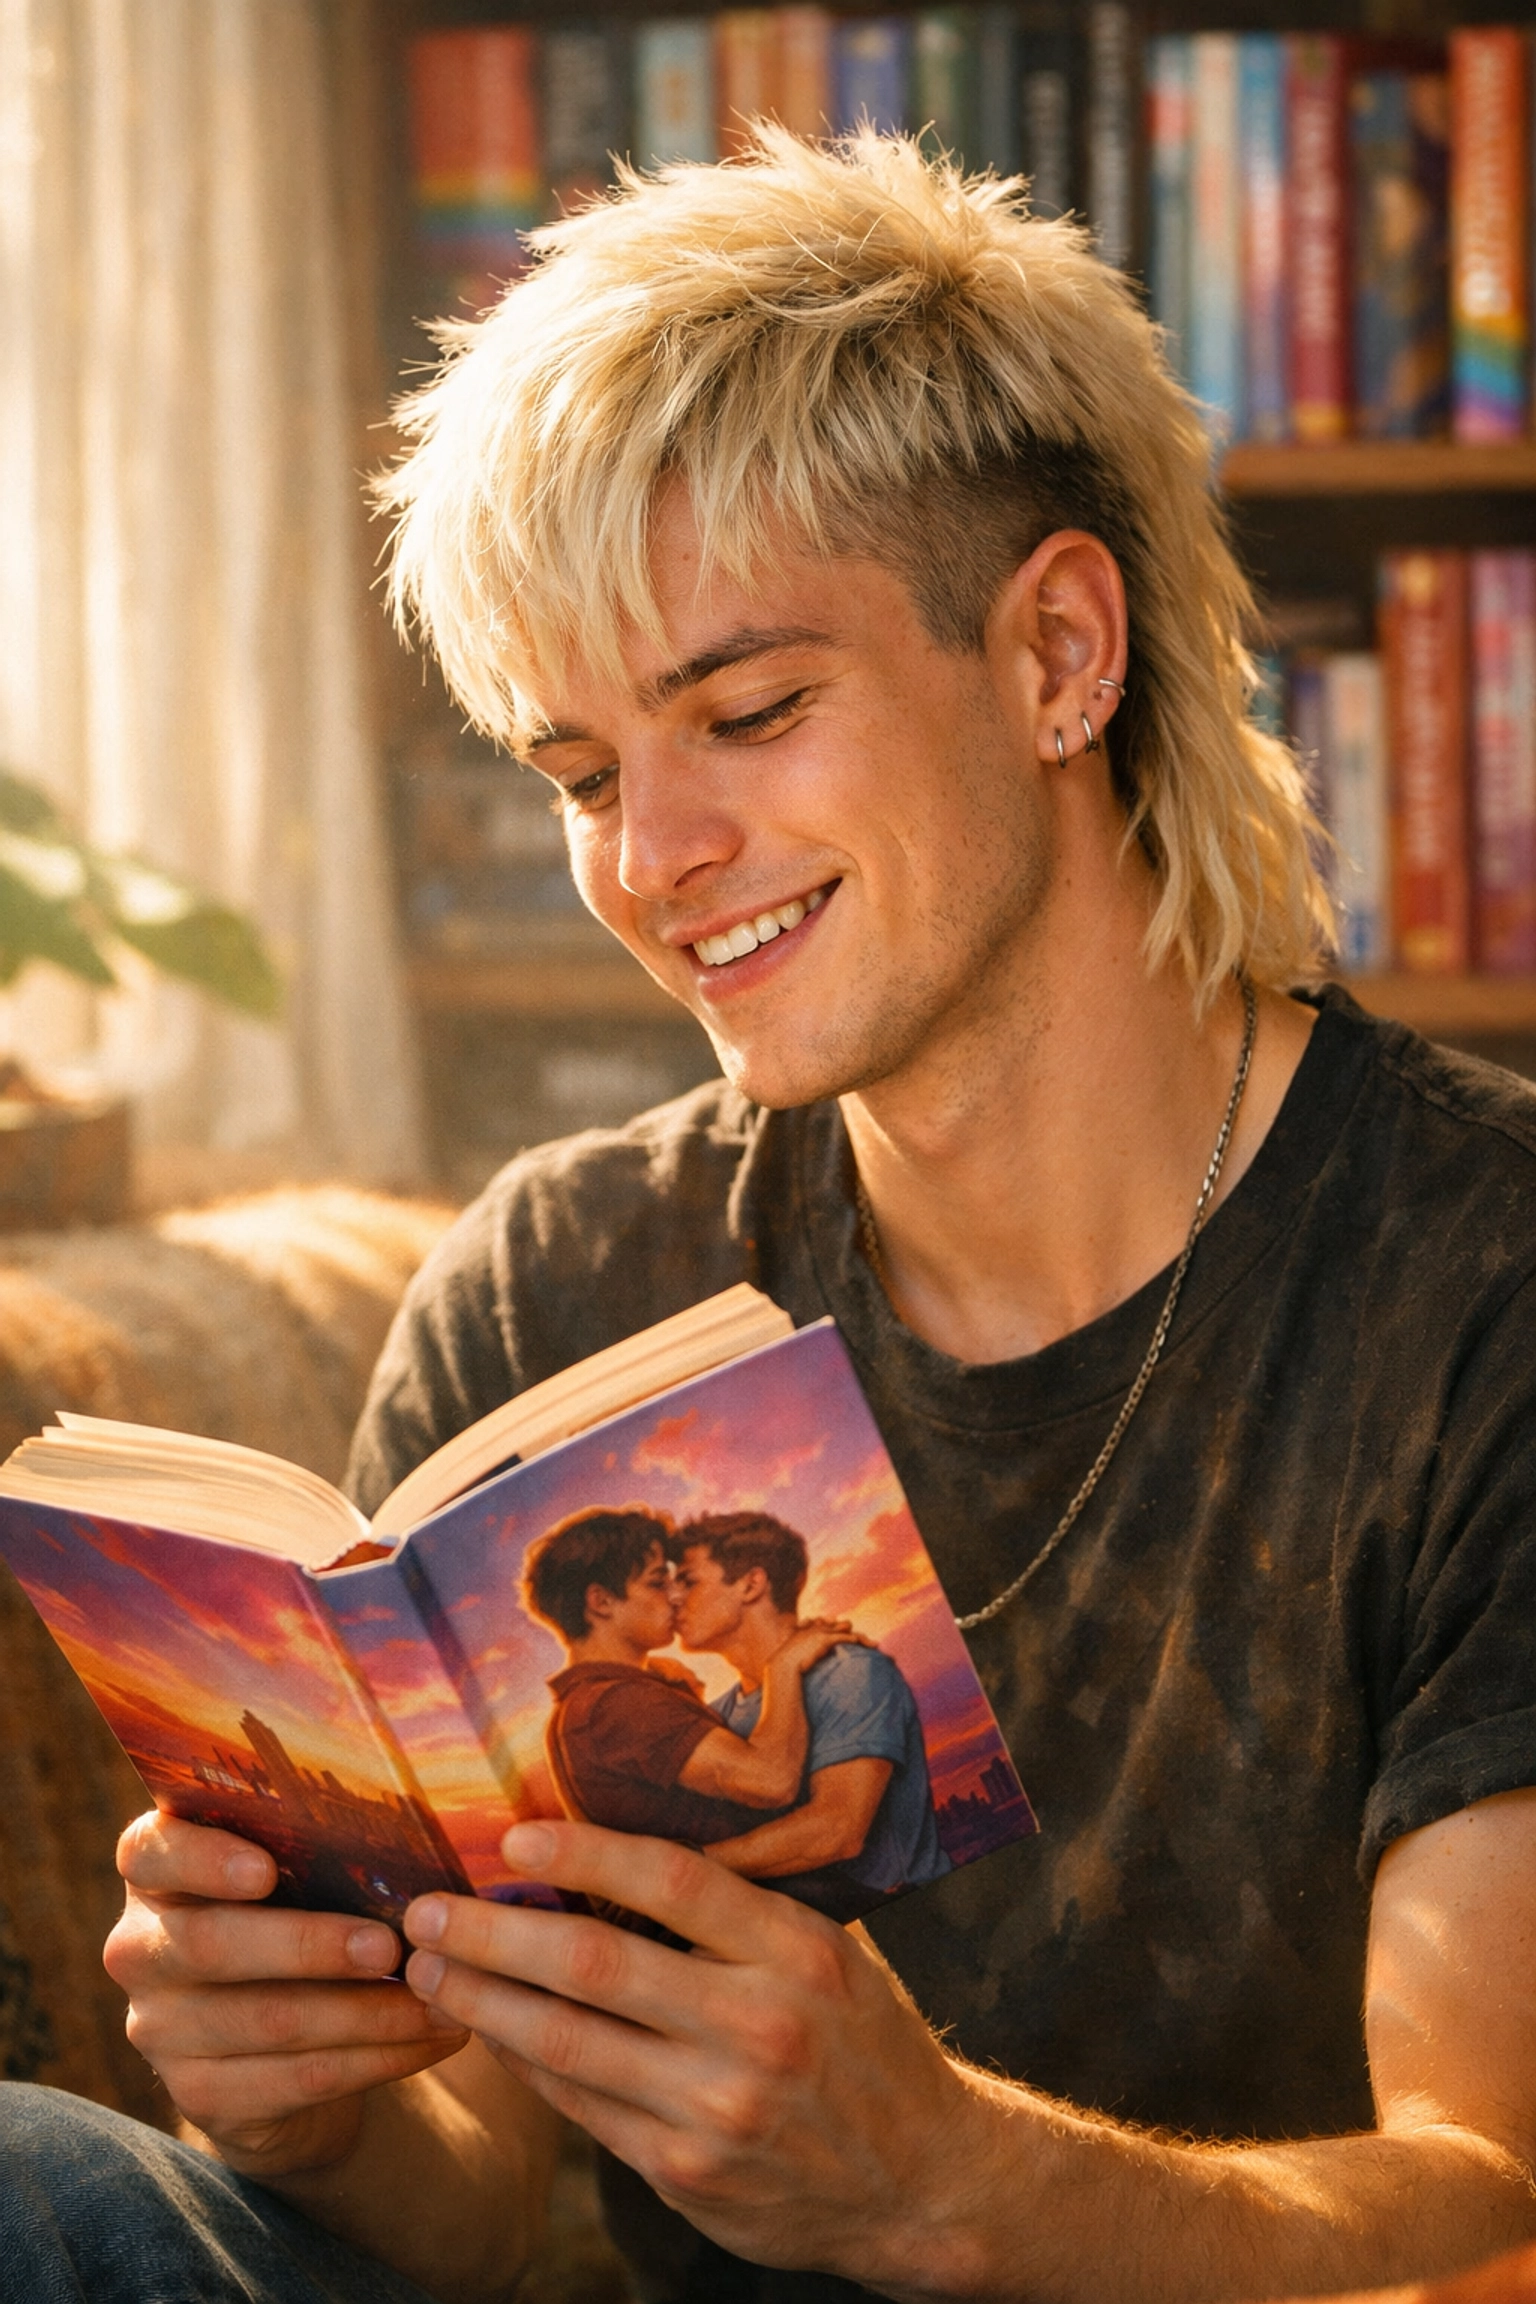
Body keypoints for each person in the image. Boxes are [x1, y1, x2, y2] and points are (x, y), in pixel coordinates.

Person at [5, 126, 1536, 2304]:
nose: (650, 859)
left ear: (1058, 658)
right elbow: (490, 2200)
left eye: (747, 710)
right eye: (584, 776)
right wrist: (323, 2110)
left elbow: (1500, 2219)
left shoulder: (1479, 1290)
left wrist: (952, 2188)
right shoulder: (559, 1289)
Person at [670, 1510, 950, 1917]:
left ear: (751, 1584)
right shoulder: (717, 1716)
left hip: (917, 1924)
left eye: (689, 1581)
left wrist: (684, 1865)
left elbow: (836, 1830)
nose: (674, 1598)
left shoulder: (851, 1673)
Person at [520, 1503, 853, 1843]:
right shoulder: (619, 1704)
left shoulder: (587, 1704)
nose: (675, 1596)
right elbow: (771, 1782)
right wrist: (783, 1666)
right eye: (657, 1583)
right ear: (601, 1602)